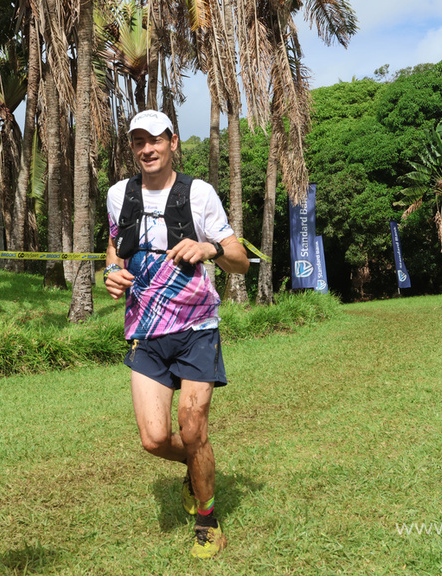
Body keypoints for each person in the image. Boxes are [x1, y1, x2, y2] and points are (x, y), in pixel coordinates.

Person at [104, 110, 249, 559]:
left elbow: (240, 259)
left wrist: (210, 247)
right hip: (145, 331)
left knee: (192, 426)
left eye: (156, 140)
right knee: (152, 438)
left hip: (195, 328)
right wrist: (110, 270)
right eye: (138, 141)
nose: (147, 149)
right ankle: (196, 465)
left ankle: (207, 519)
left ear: (173, 142)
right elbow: (115, 245)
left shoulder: (198, 193)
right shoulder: (118, 195)